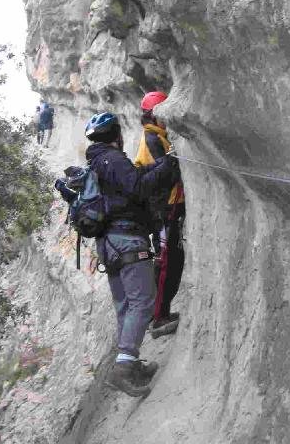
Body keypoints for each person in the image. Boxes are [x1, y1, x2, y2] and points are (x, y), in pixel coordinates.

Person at [74, 112, 178, 397]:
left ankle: (131, 364)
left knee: (125, 306)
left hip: (108, 245)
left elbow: (132, 180)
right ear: (116, 134)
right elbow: (138, 187)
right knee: (143, 301)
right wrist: (169, 163)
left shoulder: (96, 163)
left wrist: (153, 168)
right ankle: (124, 367)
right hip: (127, 240)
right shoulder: (113, 159)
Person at [134, 92, 185, 339]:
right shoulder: (152, 139)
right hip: (165, 208)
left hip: (165, 206)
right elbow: (161, 173)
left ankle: (160, 312)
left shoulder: (155, 136)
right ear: (155, 114)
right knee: (166, 262)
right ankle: (158, 317)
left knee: (170, 259)